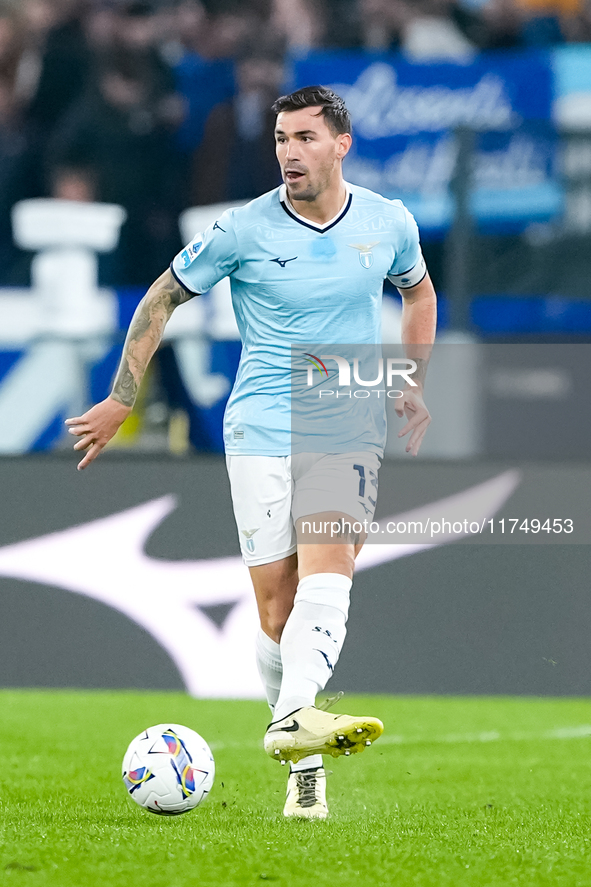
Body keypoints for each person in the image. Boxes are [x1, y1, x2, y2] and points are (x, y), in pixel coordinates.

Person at [65, 85, 437, 820]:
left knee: (329, 564)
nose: (288, 153)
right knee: (276, 608)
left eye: (303, 138)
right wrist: (121, 398)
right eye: (279, 140)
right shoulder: (243, 230)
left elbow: (418, 295)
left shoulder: (388, 222)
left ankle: (295, 731)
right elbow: (159, 299)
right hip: (261, 423)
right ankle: (298, 743)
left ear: (340, 143)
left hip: (345, 419)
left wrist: (412, 380)